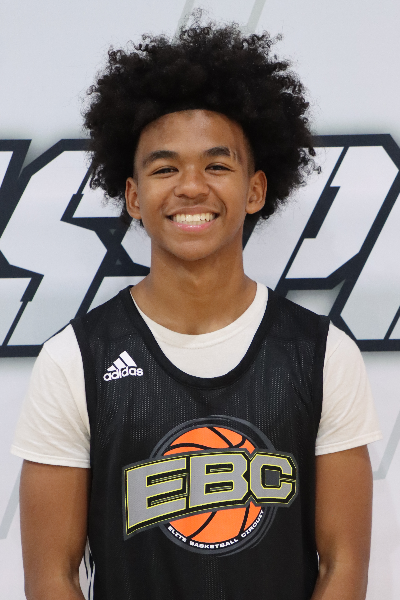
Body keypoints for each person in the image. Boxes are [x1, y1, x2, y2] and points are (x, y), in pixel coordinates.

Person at [12, 20, 382, 600]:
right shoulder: (74, 360)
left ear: (255, 190)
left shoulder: (323, 354)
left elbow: (344, 566)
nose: (190, 187)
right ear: (133, 196)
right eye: (164, 168)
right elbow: (50, 578)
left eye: (216, 166)